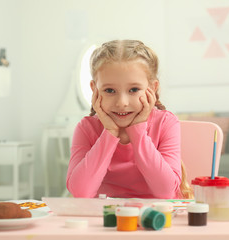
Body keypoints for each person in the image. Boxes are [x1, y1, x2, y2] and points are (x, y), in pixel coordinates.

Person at [66, 40, 192, 199]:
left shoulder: (166, 123)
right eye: (110, 90)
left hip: (153, 218)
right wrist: (109, 133)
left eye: (134, 89)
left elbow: (166, 192)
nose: (122, 103)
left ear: (152, 88)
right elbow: (80, 192)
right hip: (104, 220)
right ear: (94, 90)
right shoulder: (86, 128)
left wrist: (138, 132)